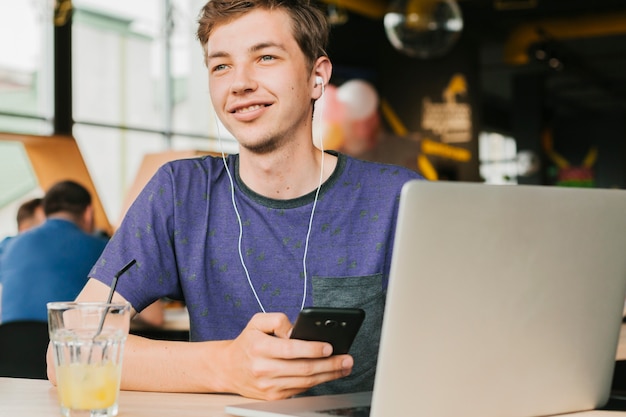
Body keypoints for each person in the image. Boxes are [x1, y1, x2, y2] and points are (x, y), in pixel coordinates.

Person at [48, 0, 423, 400]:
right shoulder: (181, 193)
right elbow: (67, 354)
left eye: (265, 57)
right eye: (221, 65)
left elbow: (472, 336)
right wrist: (226, 366)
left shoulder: (398, 199)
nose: (239, 83)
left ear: (317, 77)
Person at [0, 180, 108, 323]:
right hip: (62, 339)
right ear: (88, 213)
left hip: (9, 340)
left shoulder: (9, 246)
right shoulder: (104, 250)